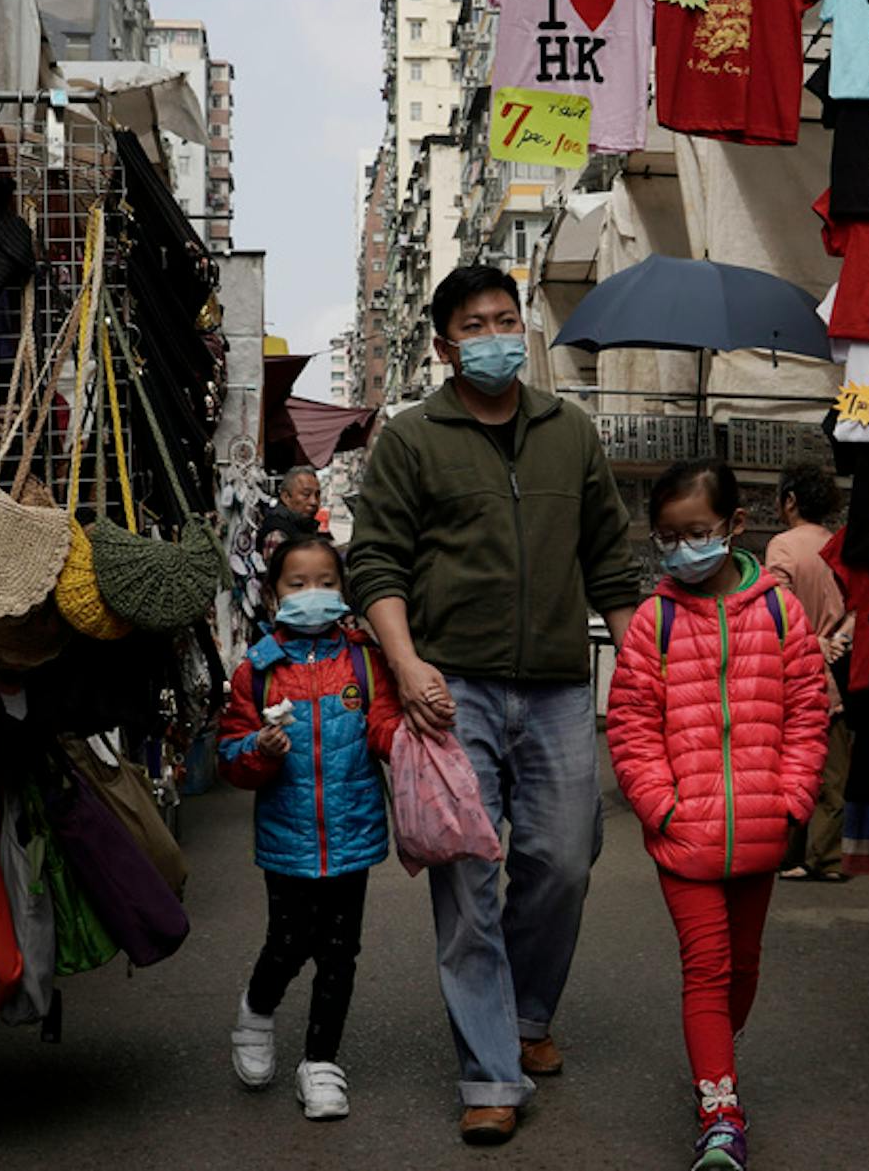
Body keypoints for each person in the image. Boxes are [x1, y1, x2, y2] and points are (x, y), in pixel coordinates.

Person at [345, 263, 640, 1146]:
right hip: (450, 691)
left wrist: (648, 667)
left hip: (556, 687)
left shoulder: (570, 432)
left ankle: (524, 1012)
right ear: (444, 344)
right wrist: (406, 665)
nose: (494, 335)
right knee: (466, 881)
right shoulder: (410, 438)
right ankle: (489, 1069)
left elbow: (612, 564)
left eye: (505, 320)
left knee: (564, 858)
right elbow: (375, 565)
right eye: (474, 325)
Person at [605, 459, 829, 1171]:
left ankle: (714, 1061)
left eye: (696, 532)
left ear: (734, 526)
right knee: (706, 968)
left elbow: (806, 713)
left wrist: (793, 798)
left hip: (761, 833)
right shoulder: (654, 621)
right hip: (685, 841)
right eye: (668, 538)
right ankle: (720, 1111)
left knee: (743, 969)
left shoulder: (779, 611)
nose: (681, 549)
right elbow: (631, 724)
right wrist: (659, 804)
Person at [219, 532, 392, 1120]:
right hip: (288, 842)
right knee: (289, 944)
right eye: (298, 584)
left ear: (343, 589)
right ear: (273, 595)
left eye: (325, 582)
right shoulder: (257, 670)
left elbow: (386, 727)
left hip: (354, 836)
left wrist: (418, 732)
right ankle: (257, 1009)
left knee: (340, 953)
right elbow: (230, 756)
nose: (313, 594)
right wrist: (260, 749)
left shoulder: (365, 660)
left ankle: (321, 1063)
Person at [764, 460, 853, 883]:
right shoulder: (841, 544)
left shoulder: (782, 546)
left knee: (790, 765)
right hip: (839, 670)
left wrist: (812, 642)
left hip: (795, 670)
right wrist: (835, 640)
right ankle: (828, 858)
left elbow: (778, 612)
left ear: (791, 500)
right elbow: (861, 605)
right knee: (833, 771)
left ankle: (790, 854)